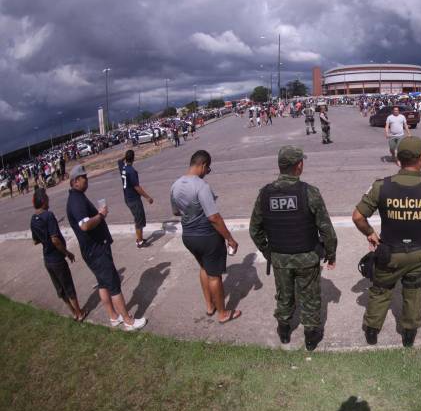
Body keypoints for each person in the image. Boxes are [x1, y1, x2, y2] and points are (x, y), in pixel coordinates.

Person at [352, 136, 421, 348]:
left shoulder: (381, 187)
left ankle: (371, 331)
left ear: (398, 158)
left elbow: (358, 216)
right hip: (419, 253)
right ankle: (409, 333)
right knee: (413, 292)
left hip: (389, 253)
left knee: (381, 290)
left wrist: (370, 233)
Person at [249, 146, 337, 351]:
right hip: (307, 257)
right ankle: (311, 337)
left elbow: (255, 229)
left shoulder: (265, 194)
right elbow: (327, 230)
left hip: (280, 258)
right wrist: (330, 253)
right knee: (311, 297)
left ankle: (284, 331)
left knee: (284, 295)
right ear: (299, 166)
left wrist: (268, 251)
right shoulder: (310, 192)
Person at [66, 165, 146, 330]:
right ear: (75, 181)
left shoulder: (77, 197)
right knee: (113, 284)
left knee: (103, 283)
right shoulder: (76, 201)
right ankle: (128, 321)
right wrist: (101, 215)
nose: (86, 180)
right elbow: (85, 225)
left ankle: (113, 317)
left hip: (94, 249)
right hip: (96, 250)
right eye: (83, 178)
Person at [170, 150, 241, 324]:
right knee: (214, 275)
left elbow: (175, 211)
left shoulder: (175, 185)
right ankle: (223, 313)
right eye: (207, 169)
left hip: (188, 236)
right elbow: (214, 217)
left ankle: (210, 306)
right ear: (203, 165)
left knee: (203, 267)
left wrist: (192, 214)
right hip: (207, 237)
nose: (206, 172)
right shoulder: (201, 186)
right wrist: (230, 238)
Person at [30, 187, 86, 321]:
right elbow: (55, 239)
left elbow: (35, 241)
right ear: (43, 201)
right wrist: (67, 253)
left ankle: (73, 312)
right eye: (47, 198)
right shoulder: (48, 215)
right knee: (68, 286)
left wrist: (44, 238)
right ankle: (80, 313)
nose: (48, 200)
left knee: (60, 288)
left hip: (47, 259)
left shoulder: (33, 219)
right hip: (57, 259)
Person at [117, 149, 154, 248]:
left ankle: (140, 238)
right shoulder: (131, 171)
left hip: (127, 198)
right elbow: (137, 187)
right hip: (133, 199)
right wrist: (148, 197)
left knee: (138, 218)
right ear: (133, 158)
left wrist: (126, 157)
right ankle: (140, 241)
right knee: (139, 219)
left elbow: (119, 161)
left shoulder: (123, 168)